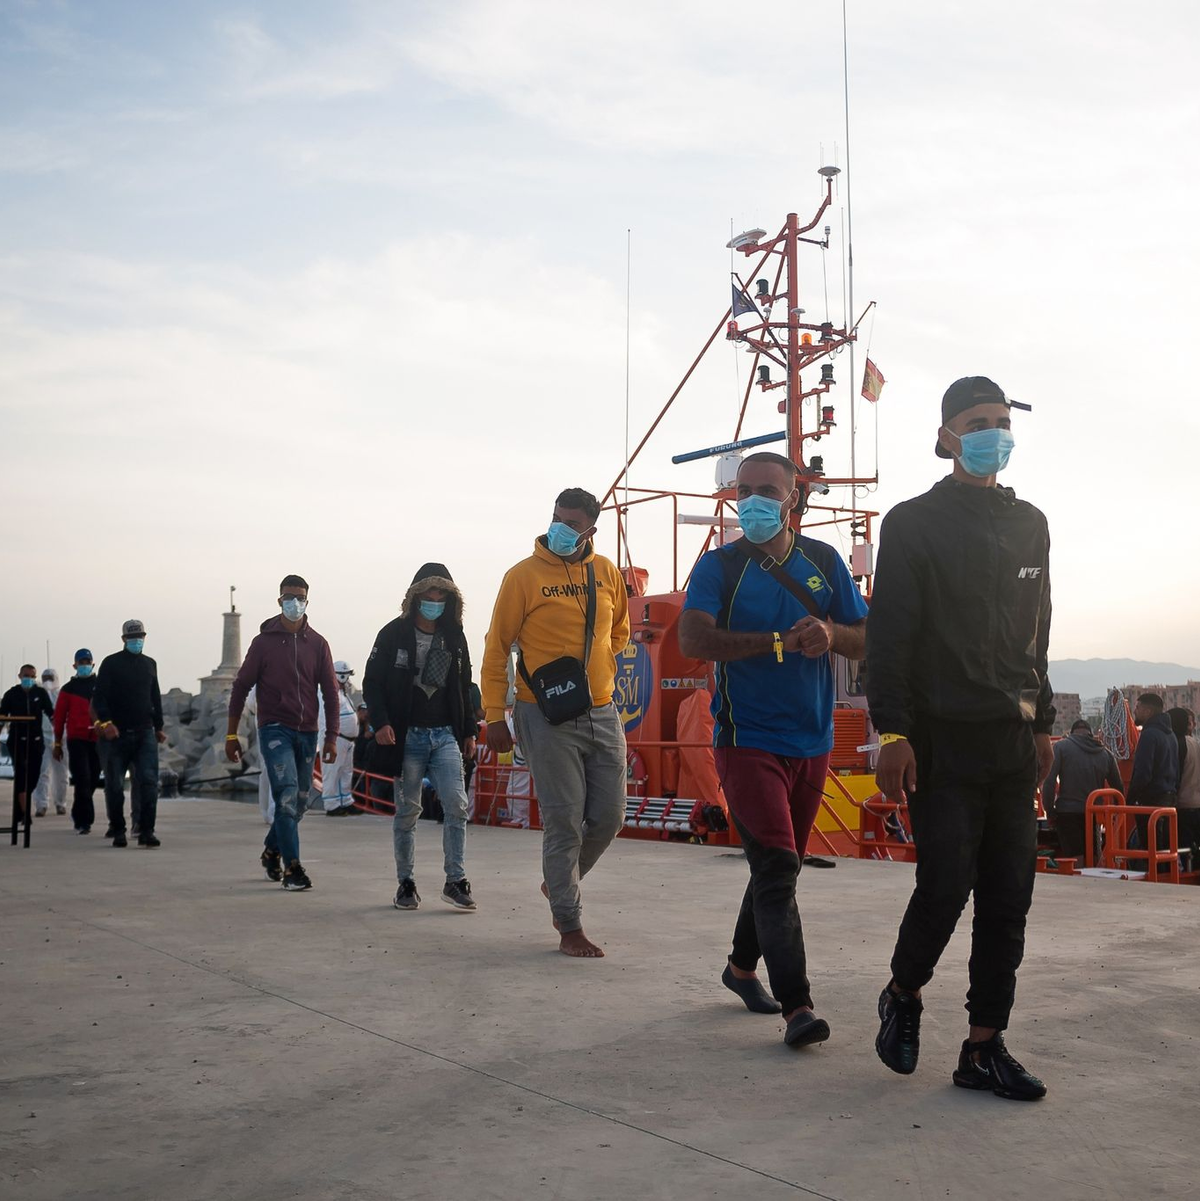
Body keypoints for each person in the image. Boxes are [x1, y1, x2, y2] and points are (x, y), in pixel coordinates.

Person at [867, 376, 1054, 1102]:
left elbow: (1035, 634)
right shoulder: (912, 523)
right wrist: (893, 729)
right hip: (940, 739)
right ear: (946, 436)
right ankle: (903, 992)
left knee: (1009, 896)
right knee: (946, 884)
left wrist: (1042, 723)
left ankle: (983, 1047)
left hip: (1011, 739)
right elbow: (890, 636)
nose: (992, 434)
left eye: (1002, 421)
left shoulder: (1030, 523)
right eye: (977, 423)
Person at [677, 451, 868, 1048]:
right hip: (746, 738)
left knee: (774, 865)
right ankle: (798, 1007)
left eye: (768, 490)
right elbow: (692, 638)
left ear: (794, 499)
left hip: (812, 741)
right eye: (744, 490)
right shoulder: (718, 566)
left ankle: (740, 969)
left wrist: (832, 632)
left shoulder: (825, 562)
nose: (754, 500)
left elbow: (868, 638)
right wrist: (778, 642)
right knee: (780, 866)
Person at [482, 488, 630, 957]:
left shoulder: (606, 572)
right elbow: (496, 647)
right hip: (543, 713)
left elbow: (620, 631)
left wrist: (596, 670)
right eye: (556, 519)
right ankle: (569, 924)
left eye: (572, 524)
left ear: (590, 530)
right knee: (564, 820)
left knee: (610, 816)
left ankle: (559, 880)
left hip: (602, 710)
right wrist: (494, 715)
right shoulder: (522, 576)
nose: (560, 530)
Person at [363, 564, 478, 911]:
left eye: (441, 594)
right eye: (429, 593)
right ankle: (406, 883)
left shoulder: (454, 637)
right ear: (415, 596)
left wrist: (469, 731)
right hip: (407, 735)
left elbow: (465, 686)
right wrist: (381, 723)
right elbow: (372, 682)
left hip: (445, 735)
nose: (434, 600)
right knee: (407, 811)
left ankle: (455, 880)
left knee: (457, 804)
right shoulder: (392, 634)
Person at [226, 575, 338, 891]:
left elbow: (330, 692)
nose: (294, 603)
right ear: (279, 601)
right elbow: (241, 686)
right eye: (289, 597)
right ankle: (293, 869)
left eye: (300, 597)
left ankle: (271, 850)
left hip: (308, 732)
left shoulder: (318, 644)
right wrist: (231, 735)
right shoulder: (263, 643)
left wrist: (331, 737)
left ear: (307, 601)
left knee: (300, 802)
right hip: (275, 729)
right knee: (286, 795)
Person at [92, 620, 167, 848]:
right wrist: (106, 723)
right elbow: (99, 697)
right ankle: (118, 830)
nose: (137, 641)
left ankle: (146, 831)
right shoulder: (110, 663)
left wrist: (159, 726)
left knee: (149, 782)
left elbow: (154, 696)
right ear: (124, 639)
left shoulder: (150, 664)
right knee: (114, 785)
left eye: (140, 637)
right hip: (117, 735)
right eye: (133, 637)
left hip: (145, 733)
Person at [1041, 719, 1123, 859]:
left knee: (1075, 857)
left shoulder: (1061, 748)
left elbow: (1049, 781)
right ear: (1090, 734)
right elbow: (1118, 788)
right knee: (1094, 854)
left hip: (1067, 813)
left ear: (1072, 733)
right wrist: (1116, 814)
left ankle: (1078, 872)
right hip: (1094, 814)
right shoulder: (1106, 754)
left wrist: (1049, 810)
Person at [52, 650, 102, 834]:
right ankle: (85, 821)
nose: (84, 665)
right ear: (75, 665)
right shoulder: (68, 689)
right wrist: (57, 743)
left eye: (87, 662)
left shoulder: (101, 686)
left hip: (98, 739)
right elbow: (59, 717)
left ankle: (77, 809)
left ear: (93, 664)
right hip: (76, 739)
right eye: (81, 662)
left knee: (93, 778)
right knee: (82, 778)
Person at [1, 665, 55, 829]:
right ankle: (25, 813)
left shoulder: (40, 693)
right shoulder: (11, 694)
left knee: (33, 777)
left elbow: (50, 713)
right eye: (26, 675)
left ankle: (20, 810)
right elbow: (2, 715)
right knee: (21, 775)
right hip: (17, 741)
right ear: (19, 675)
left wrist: (59, 730)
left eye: (32, 676)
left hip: (36, 741)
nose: (29, 679)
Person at [1127, 692, 1178, 856]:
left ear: (1148, 711)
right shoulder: (1171, 735)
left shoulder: (1149, 735)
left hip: (1150, 801)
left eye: (1137, 707)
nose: (1135, 711)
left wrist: (1130, 799)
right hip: (1169, 799)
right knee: (1164, 850)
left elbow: (1143, 772)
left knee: (1150, 849)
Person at [320, 660, 362, 816]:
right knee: (332, 772)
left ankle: (345, 801)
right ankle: (331, 804)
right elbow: (323, 719)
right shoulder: (325, 693)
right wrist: (328, 741)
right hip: (336, 739)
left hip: (347, 740)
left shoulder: (342, 694)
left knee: (346, 772)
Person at [32, 668, 68, 816]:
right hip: (43, 737)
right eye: (45, 677)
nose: (48, 680)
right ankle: (41, 804)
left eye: (50, 677)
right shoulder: (38, 695)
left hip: (61, 738)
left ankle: (60, 803)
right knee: (42, 772)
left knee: (61, 773)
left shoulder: (62, 695)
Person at [1167, 707, 1200, 854]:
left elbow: (1176, 775)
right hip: (1196, 803)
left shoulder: (1178, 743)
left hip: (1182, 804)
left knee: (1182, 849)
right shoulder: (1195, 743)